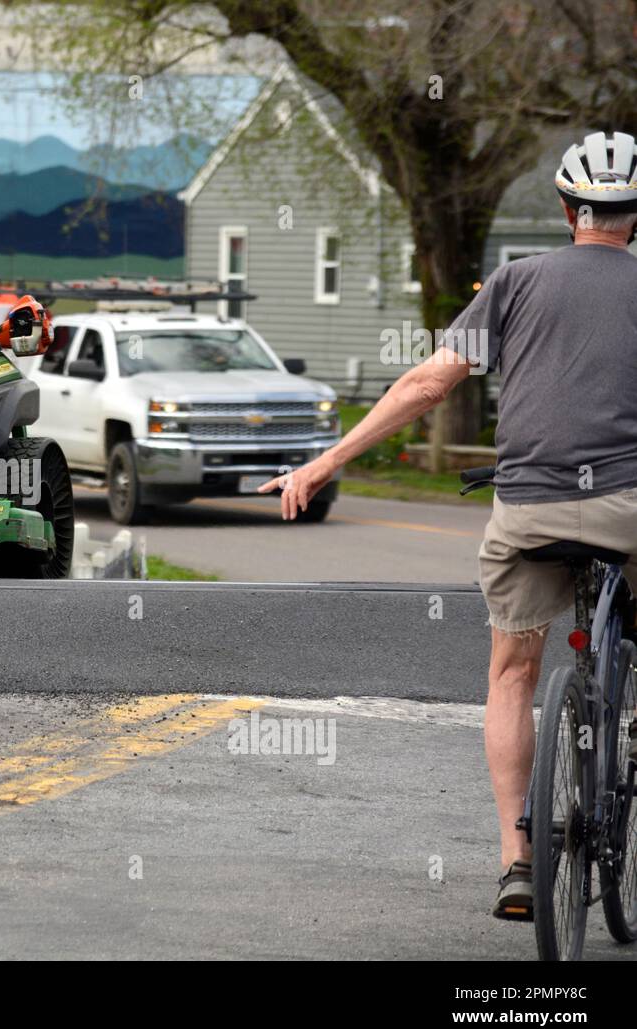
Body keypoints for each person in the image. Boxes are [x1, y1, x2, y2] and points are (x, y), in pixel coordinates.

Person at [258, 131, 637, 921]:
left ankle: (516, 860)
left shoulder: (513, 281)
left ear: (568, 210)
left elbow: (431, 382)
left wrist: (323, 465)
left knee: (512, 673)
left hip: (529, 504)